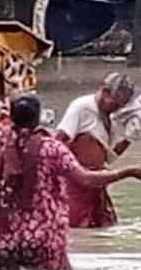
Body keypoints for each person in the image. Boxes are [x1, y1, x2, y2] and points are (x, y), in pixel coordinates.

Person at [0, 94, 141, 270]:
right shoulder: (52, 148)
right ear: (37, 119)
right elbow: (86, 178)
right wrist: (126, 172)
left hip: (3, 237)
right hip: (43, 238)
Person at [56, 72, 136, 228]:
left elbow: (108, 157)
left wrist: (131, 136)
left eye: (120, 106)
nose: (116, 109)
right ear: (104, 91)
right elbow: (57, 142)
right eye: (114, 104)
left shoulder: (110, 118)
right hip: (75, 187)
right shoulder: (81, 107)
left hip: (96, 186)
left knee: (103, 230)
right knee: (76, 230)